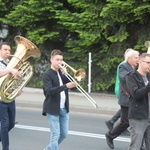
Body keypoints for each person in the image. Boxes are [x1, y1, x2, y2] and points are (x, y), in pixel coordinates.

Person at [42, 49, 77, 150]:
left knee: (64, 134)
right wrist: (65, 86)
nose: (60, 62)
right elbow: (49, 91)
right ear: (51, 60)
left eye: (61, 60)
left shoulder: (62, 73)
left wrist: (66, 75)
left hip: (64, 108)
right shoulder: (47, 74)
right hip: (52, 108)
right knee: (55, 135)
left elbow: (73, 84)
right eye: (57, 59)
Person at [105, 49, 139, 149]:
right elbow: (124, 79)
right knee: (125, 122)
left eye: (138, 57)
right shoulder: (123, 66)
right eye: (136, 57)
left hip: (136, 99)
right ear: (129, 59)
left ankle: (138, 143)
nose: (138, 59)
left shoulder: (135, 67)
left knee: (137, 122)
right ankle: (110, 135)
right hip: (126, 98)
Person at [0, 42, 22, 150]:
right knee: (4, 124)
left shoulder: (11, 63)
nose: (8, 52)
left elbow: (14, 80)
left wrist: (18, 89)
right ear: (0, 51)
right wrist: (10, 70)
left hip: (9, 98)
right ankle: (6, 148)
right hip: (0, 98)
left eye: (9, 50)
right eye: (5, 49)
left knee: (11, 123)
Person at [126, 53, 150, 150]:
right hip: (138, 117)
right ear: (140, 62)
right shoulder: (131, 76)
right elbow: (136, 94)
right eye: (148, 62)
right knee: (135, 146)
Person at [105, 49, 132, 136]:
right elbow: (123, 79)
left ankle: (114, 122)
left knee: (125, 108)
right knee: (124, 108)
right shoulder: (123, 65)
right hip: (121, 89)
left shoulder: (129, 65)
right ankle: (113, 122)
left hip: (122, 89)